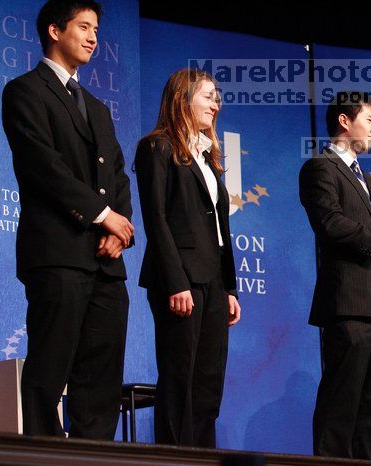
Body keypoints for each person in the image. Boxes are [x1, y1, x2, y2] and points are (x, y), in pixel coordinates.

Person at [1, 0, 134, 439]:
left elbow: (116, 173)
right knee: (48, 367)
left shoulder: (96, 106)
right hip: (58, 253)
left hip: (105, 262)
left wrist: (120, 228)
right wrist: (102, 216)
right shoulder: (25, 91)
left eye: (96, 28)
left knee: (101, 378)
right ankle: (43, 454)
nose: (94, 36)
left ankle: (95, 454)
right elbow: (44, 167)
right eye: (84, 26)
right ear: (55, 31)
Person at [298, 91, 371, 460]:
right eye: (369, 121)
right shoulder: (319, 167)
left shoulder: (370, 181)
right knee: (341, 403)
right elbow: (330, 223)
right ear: (344, 121)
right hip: (349, 303)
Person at [134, 68, 241, 447]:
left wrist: (229, 287)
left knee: (208, 384)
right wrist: (176, 282)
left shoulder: (209, 158)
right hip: (179, 279)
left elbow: (222, 234)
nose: (216, 104)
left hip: (213, 280)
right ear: (183, 98)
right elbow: (156, 219)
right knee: (180, 379)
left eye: (217, 98)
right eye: (208, 96)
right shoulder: (157, 147)